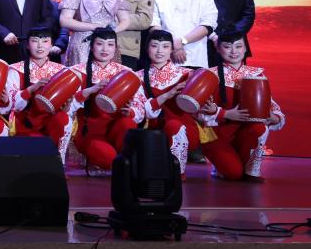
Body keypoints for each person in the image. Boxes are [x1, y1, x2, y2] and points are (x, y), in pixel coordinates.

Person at [200, 31, 285, 182]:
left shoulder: (256, 74)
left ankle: (251, 171)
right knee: (233, 173)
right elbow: (197, 112)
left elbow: (272, 107)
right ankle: (222, 165)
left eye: (238, 46)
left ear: (245, 48)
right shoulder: (208, 75)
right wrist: (224, 114)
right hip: (214, 134)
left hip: (242, 133)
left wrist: (274, 117)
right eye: (227, 47)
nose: (234, 51)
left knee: (260, 128)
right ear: (218, 49)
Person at [66, 28, 147, 174]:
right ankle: (110, 163)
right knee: (111, 160)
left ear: (116, 48)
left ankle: (122, 165)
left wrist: (130, 111)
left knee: (127, 123)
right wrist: (88, 92)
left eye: (110, 44)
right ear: (91, 47)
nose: (105, 49)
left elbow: (140, 106)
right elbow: (66, 107)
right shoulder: (76, 72)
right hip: (89, 134)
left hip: (116, 131)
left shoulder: (127, 73)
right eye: (100, 44)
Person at [8, 27, 73, 163]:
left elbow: (70, 105)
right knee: (36, 156)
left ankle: (59, 162)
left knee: (64, 119)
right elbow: (11, 104)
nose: (40, 46)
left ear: (51, 44)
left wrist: (67, 107)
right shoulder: (15, 69)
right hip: (25, 123)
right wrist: (32, 89)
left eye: (45, 41)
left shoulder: (62, 71)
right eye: (34, 41)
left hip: (51, 123)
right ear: (27, 45)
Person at [137, 30, 196, 174]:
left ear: (172, 49)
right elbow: (140, 112)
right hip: (152, 132)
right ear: (147, 48)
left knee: (174, 125)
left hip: (185, 129)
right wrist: (167, 95)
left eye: (165, 46)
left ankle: (177, 173)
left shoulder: (187, 75)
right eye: (154, 46)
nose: (159, 51)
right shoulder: (137, 77)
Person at [153, 0, 218, 68]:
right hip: (164, 59)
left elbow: (207, 26)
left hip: (196, 59)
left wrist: (181, 42)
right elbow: (154, 26)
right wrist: (172, 45)